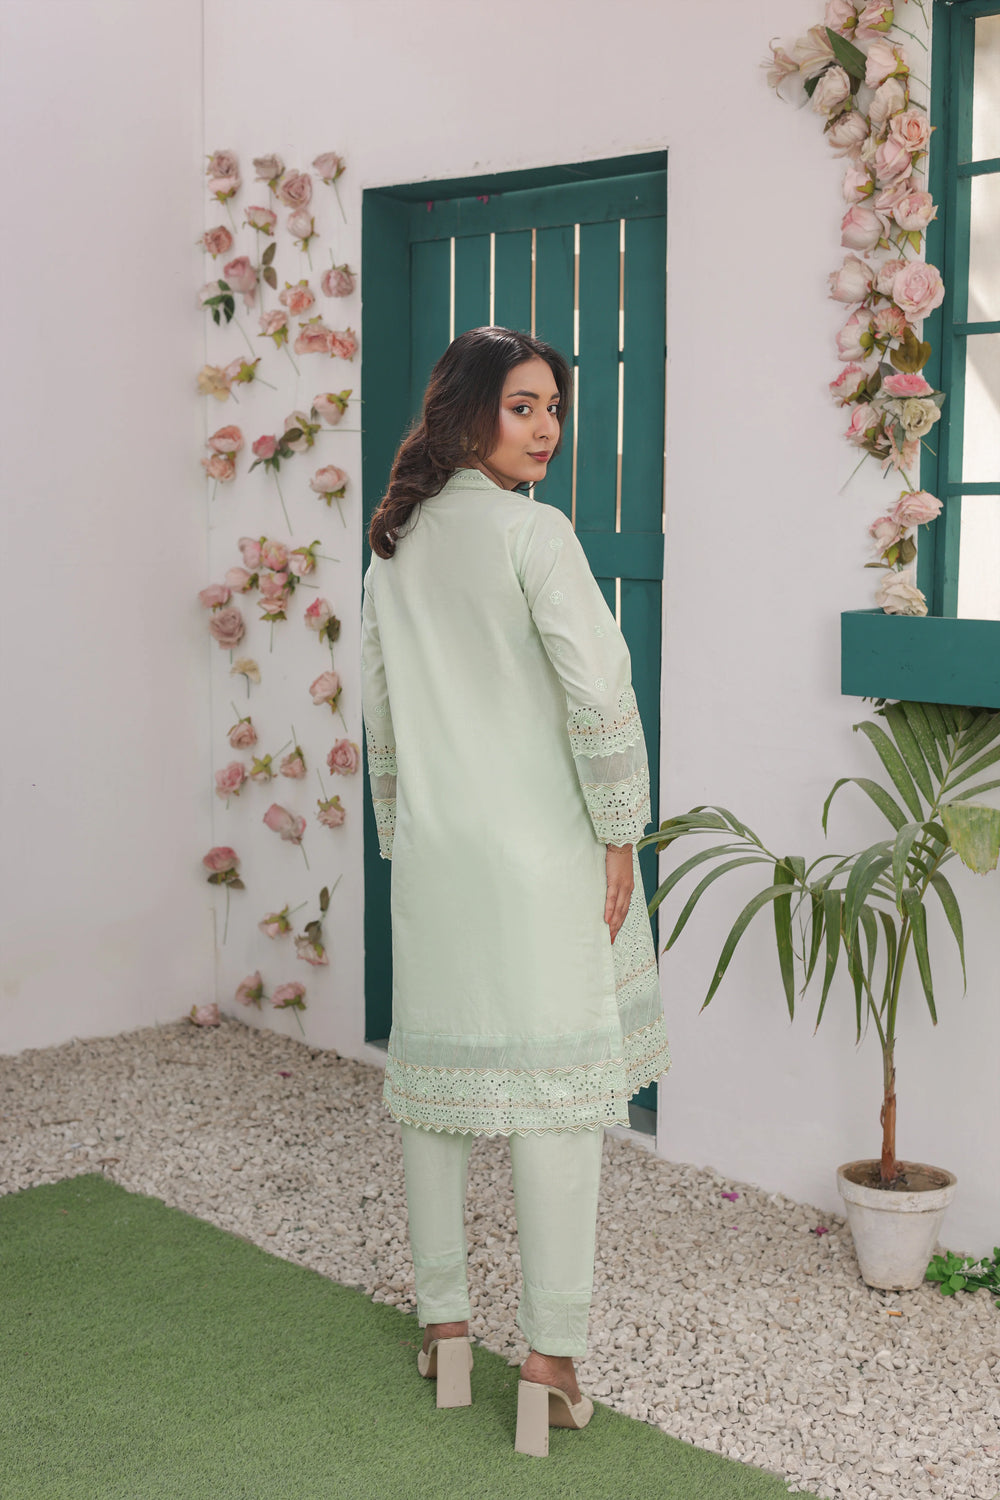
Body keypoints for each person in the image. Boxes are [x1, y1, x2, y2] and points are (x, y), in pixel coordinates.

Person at [360, 326, 670, 1457]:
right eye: (524, 406)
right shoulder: (536, 535)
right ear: (467, 410)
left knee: (433, 1095)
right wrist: (621, 834)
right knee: (557, 1106)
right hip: (542, 856)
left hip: (440, 856)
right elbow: (601, 692)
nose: (546, 430)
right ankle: (549, 1359)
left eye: (554, 409)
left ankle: (445, 1330)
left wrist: (405, 835)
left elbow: (382, 717)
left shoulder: (393, 547)